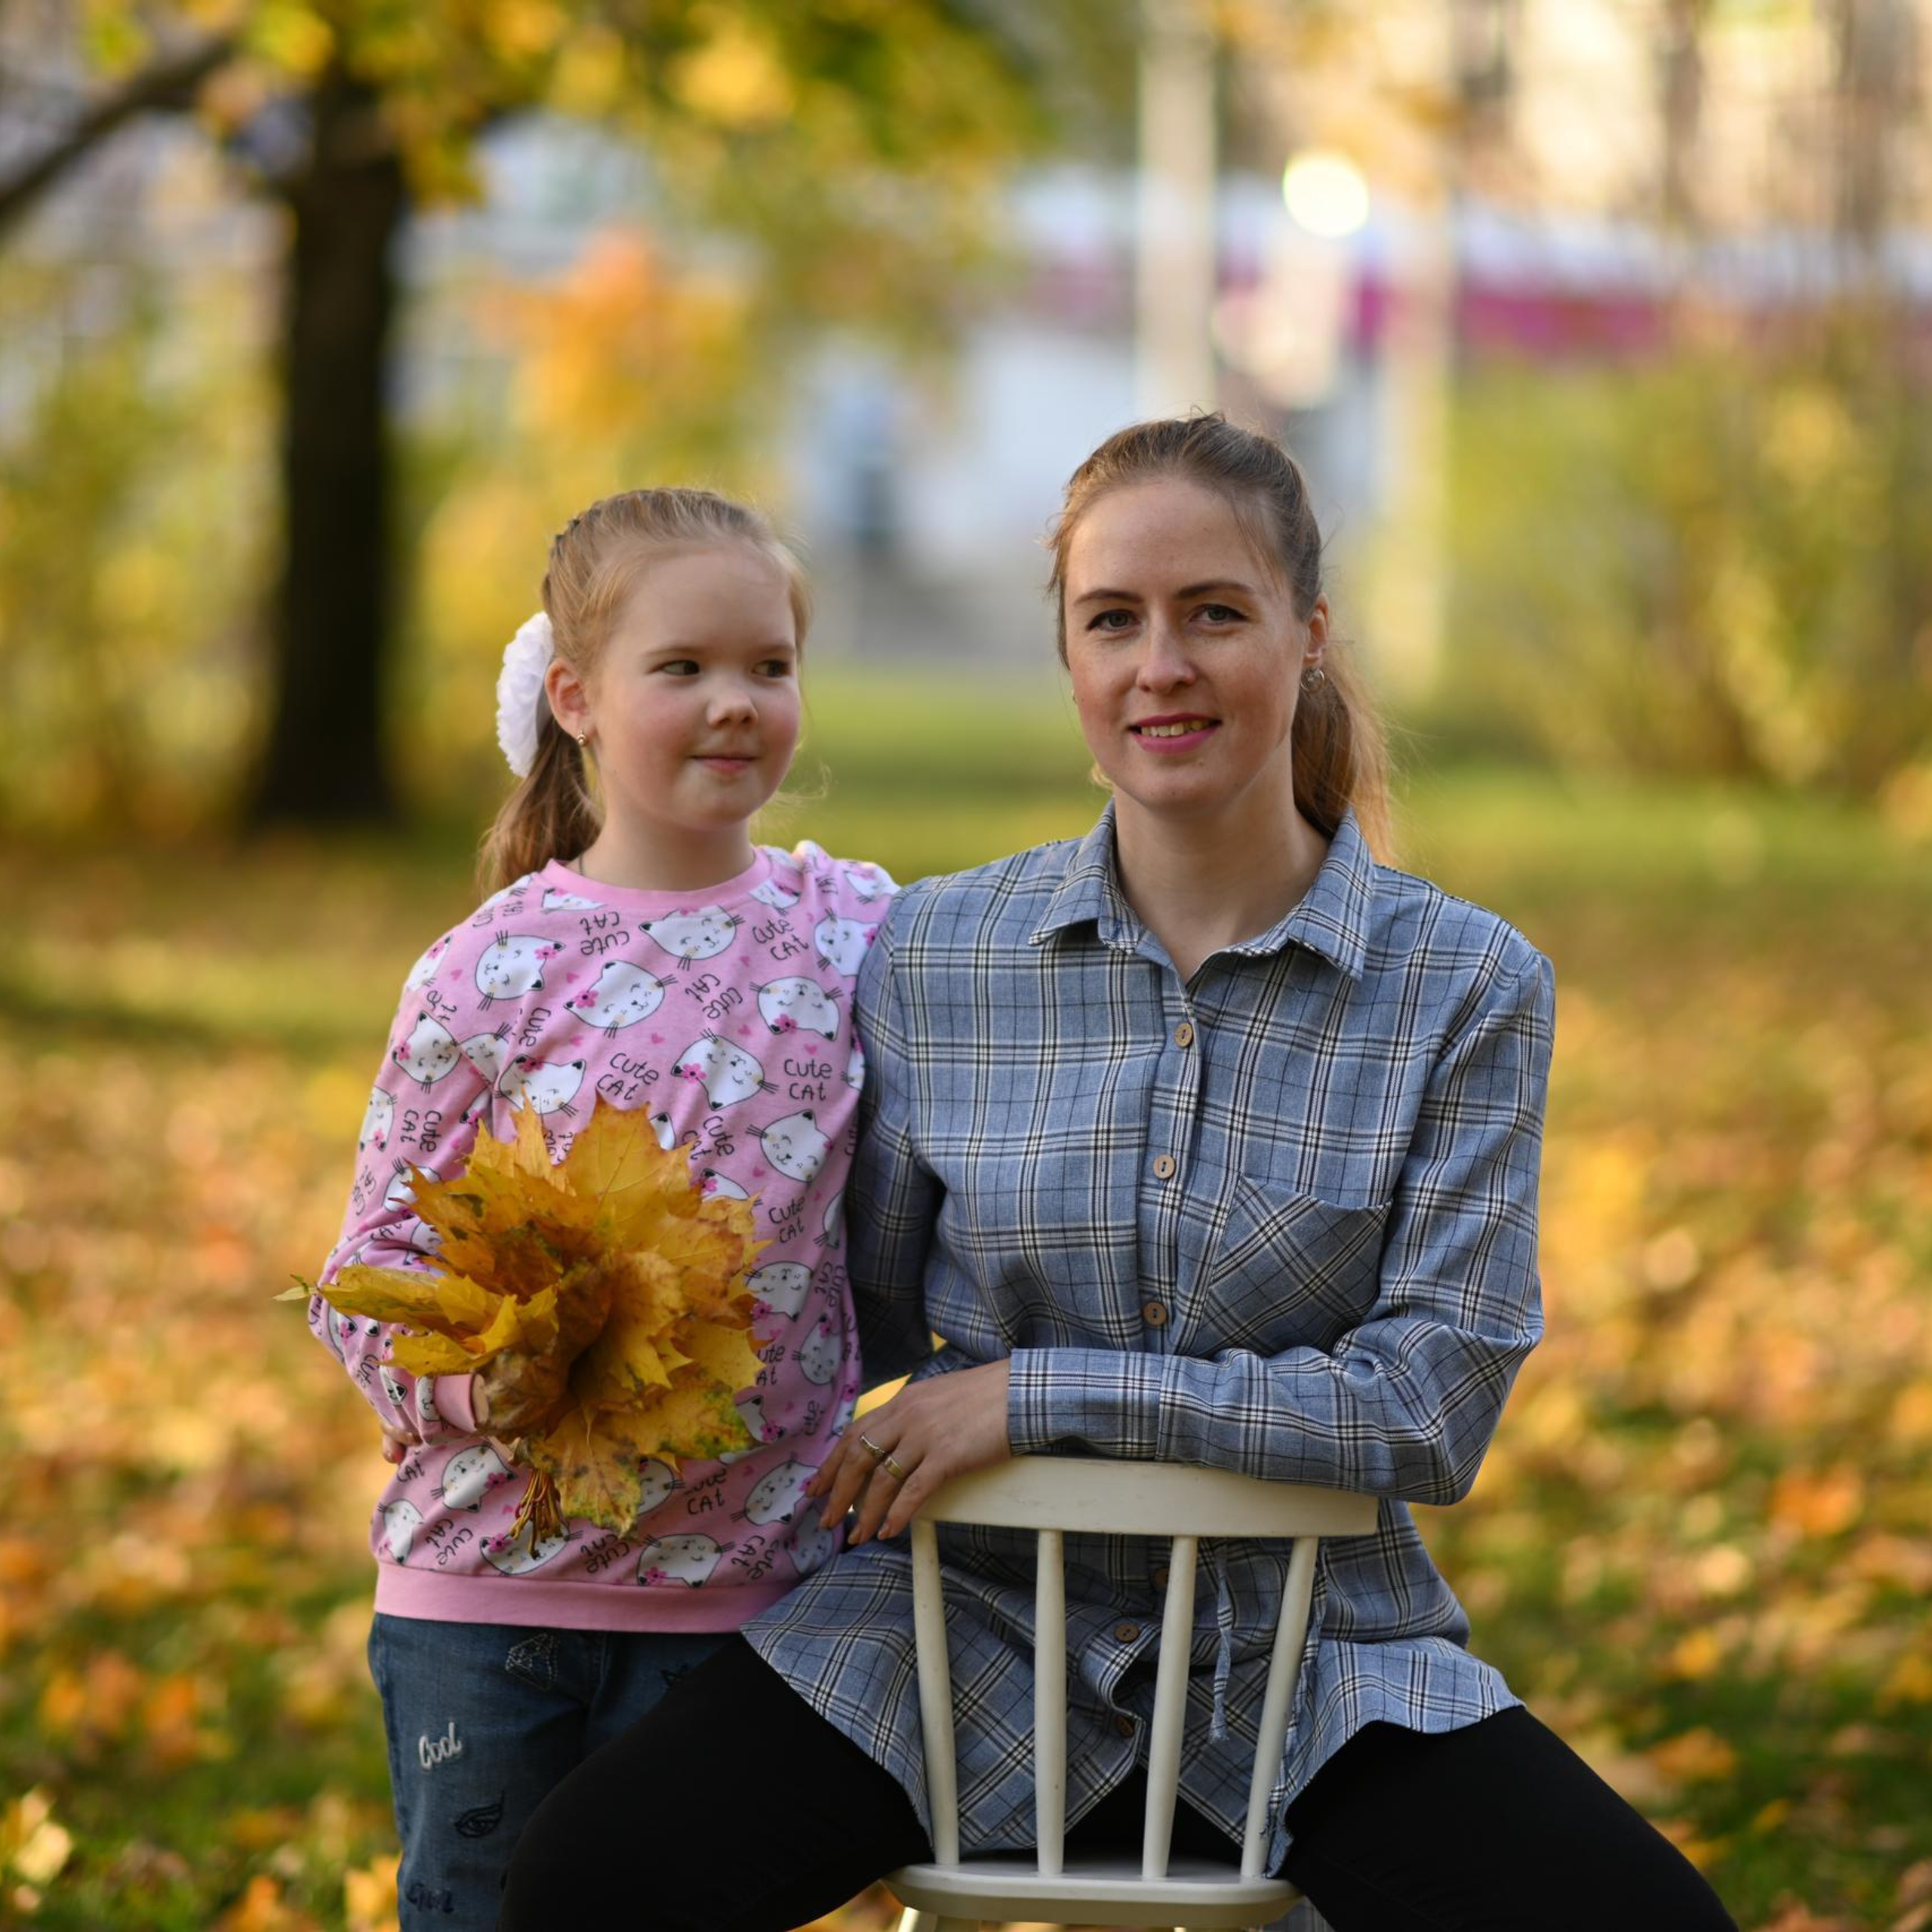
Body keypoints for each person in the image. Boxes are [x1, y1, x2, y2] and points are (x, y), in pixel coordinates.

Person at [497, 418, 1737, 1931]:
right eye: (1111, 621)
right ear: (1068, 653)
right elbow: (846, 1326)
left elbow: (1424, 1408)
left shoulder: (1461, 985)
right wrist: (581, 1320)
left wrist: (1038, 1393)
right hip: (949, 1632)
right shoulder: (937, 955)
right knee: (585, 1880)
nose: (1161, 666)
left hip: (1310, 1660)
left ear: (1307, 633)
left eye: (1212, 613)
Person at [309, 486, 898, 1932]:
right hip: (487, 1590)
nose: (735, 702)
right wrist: (475, 1391)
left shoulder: (854, 935)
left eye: (769, 665)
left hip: (748, 1594)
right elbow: (368, 1271)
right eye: (681, 667)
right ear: (574, 697)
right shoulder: (489, 969)